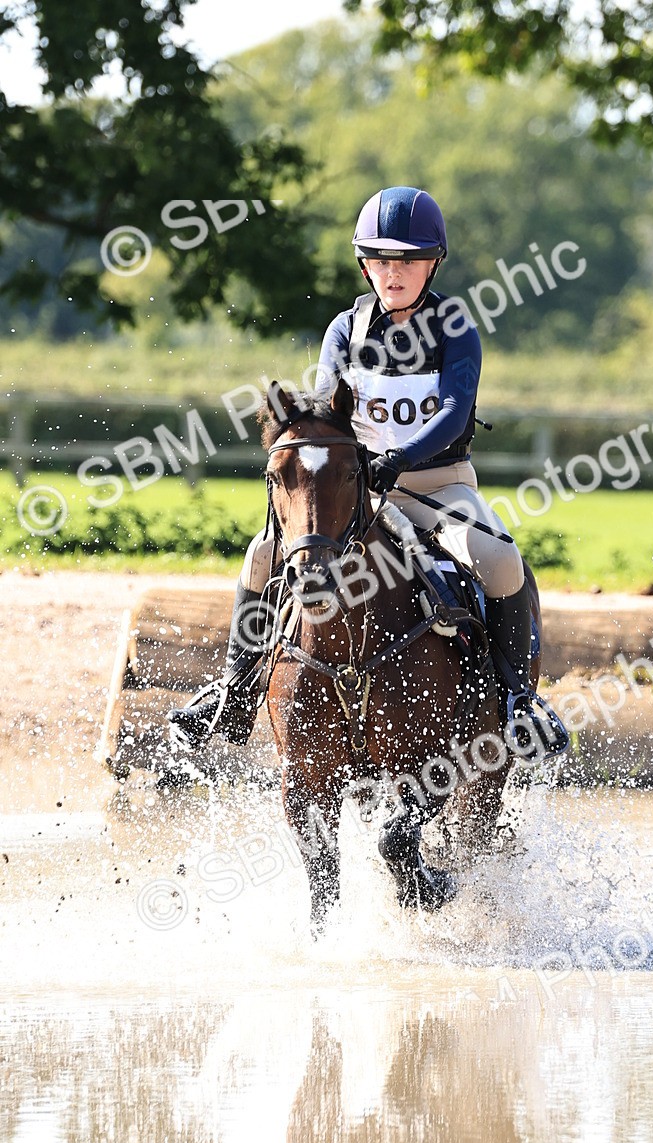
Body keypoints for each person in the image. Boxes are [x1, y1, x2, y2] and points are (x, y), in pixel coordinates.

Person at [169, 186, 568, 760]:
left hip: (437, 486)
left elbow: (455, 413)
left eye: (407, 260)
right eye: (382, 261)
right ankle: (231, 693)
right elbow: (330, 405)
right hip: (356, 493)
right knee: (262, 555)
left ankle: (517, 704)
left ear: (432, 263)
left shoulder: (454, 329)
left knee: (501, 561)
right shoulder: (345, 330)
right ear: (365, 266)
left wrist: (399, 461)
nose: (394, 272)